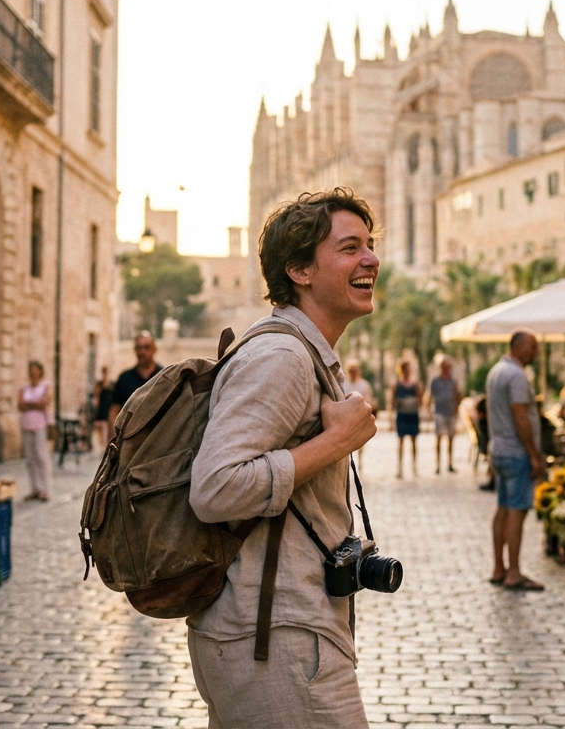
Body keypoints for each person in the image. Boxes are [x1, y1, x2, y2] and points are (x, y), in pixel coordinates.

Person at [188, 188, 379, 728]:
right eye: (349, 248)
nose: (370, 259)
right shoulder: (282, 356)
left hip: (279, 632)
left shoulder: (303, 350)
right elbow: (215, 489)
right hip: (276, 638)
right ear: (299, 269)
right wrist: (334, 443)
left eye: (369, 245)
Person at [486, 330, 547, 592]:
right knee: (516, 511)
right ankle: (513, 572)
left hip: (498, 449)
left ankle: (499, 567)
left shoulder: (496, 371)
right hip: (516, 452)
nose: (536, 352)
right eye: (533, 346)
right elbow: (520, 417)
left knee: (502, 507)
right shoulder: (517, 376)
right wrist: (534, 454)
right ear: (519, 346)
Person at [109, 332, 161, 430]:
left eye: (146, 347)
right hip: (129, 439)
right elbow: (114, 410)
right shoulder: (124, 378)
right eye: (139, 348)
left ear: (154, 349)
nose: (142, 352)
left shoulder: (164, 377)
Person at [17, 360, 53, 501]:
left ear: (40, 371)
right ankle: (34, 488)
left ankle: (45, 488)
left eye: (35, 369)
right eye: (31, 369)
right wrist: (35, 403)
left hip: (40, 424)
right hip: (26, 424)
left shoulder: (46, 385)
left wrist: (29, 404)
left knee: (41, 456)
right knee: (29, 458)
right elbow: (20, 405)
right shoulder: (24, 387)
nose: (33, 372)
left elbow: (45, 402)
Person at [427, 357, 462, 474]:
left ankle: (450, 463)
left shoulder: (453, 380)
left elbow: (457, 394)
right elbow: (430, 395)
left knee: (451, 438)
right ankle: (437, 464)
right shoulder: (435, 380)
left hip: (451, 412)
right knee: (439, 437)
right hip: (439, 411)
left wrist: (457, 408)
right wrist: (428, 410)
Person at [342, 359, 375, 471]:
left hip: (360, 416)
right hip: (346, 416)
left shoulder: (364, 385)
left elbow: (369, 400)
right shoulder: (344, 384)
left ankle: (360, 460)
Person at [393, 360, 422, 478]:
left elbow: (420, 399)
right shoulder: (397, 385)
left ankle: (414, 466)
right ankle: (400, 467)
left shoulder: (415, 385)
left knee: (414, 441)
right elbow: (393, 401)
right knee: (401, 441)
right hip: (402, 414)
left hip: (412, 414)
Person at [92, 366, 115, 445]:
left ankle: (106, 444)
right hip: (102, 408)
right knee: (101, 427)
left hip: (109, 407)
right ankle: (102, 445)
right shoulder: (99, 384)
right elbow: (96, 397)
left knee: (108, 427)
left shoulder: (112, 385)